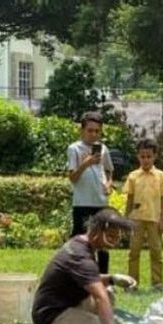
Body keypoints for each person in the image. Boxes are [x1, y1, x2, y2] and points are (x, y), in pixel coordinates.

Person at [31, 208, 136, 324]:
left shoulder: (81, 242)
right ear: (97, 232)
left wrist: (112, 279)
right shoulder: (80, 257)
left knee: (109, 298)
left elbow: (88, 279)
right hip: (52, 316)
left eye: (117, 237)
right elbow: (100, 296)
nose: (115, 242)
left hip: (68, 303)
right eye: (111, 236)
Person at [123, 139, 163, 292]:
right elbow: (130, 199)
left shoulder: (161, 176)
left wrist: (162, 219)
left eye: (149, 156)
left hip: (154, 219)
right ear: (138, 157)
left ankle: (157, 283)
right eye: (143, 156)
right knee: (134, 252)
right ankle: (132, 283)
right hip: (136, 219)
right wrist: (125, 219)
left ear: (155, 157)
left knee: (156, 252)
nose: (146, 160)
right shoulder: (133, 176)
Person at [67, 111, 114, 274]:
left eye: (97, 131)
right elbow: (72, 177)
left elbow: (108, 170)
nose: (93, 134)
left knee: (102, 242)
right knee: (79, 242)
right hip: (82, 203)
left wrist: (108, 184)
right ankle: (78, 276)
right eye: (90, 130)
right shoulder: (74, 149)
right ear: (82, 130)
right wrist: (86, 163)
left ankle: (104, 279)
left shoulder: (104, 149)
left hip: (101, 202)